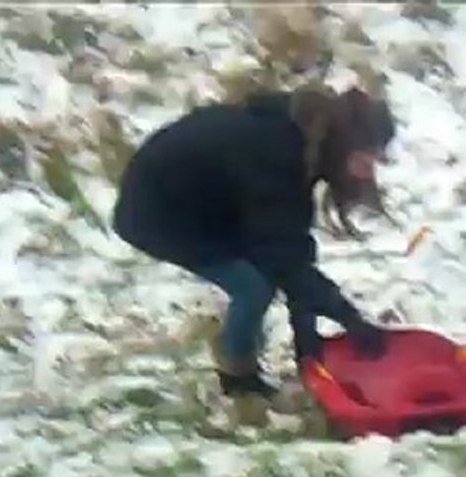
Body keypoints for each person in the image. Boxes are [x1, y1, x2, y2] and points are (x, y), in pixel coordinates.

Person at [111, 82, 394, 401]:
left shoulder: (310, 138)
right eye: (366, 158)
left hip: (214, 204)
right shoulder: (279, 151)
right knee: (253, 286)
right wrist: (347, 315)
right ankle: (238, 377)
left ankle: (245, 357)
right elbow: (281, 255)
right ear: (347, 144)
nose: (367, 173)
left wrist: (307, 343)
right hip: (159, 211)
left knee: (270, 267)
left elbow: (291, 247)